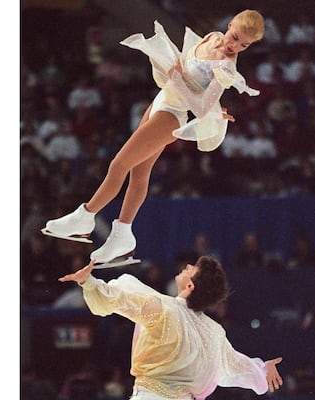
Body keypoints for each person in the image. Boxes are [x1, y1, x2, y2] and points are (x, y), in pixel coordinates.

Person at [43, 10, 265, 267]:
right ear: (229, 25)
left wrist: (183, 85)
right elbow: (198, 83)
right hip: (162, 100)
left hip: (173, 114)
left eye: (244, 45)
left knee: (118, 164)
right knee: (139, 172)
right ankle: (122, 236)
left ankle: (86, 216)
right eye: (235, 37)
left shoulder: (227, 66)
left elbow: (201, 108)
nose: (234, 45)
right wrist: (195, 92)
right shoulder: (213, 36)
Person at [58, 255, 284, 399]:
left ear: (190, 285)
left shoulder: (163, 308)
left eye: (192, 268)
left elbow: (119, 299)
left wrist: (88, 282)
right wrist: (262, 371)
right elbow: (235, 365)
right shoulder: (214, 332)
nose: (186, 266)